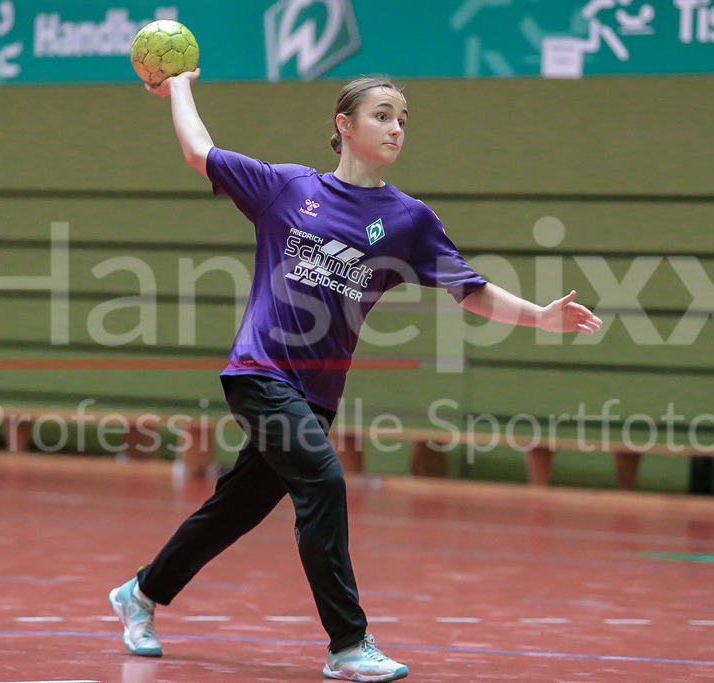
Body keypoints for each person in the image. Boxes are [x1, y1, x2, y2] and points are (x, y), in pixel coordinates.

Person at [109, 68, 602, 682]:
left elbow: (469, 291)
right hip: (259, 373)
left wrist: (542, 319)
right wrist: (178, 87)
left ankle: (143, 593)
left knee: (236, 508)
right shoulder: (286, 188)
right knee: (324, 481)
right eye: (382, 115)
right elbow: (197, 151)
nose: (396, 127)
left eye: (402, 119)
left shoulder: (407, 219)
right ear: (344, 126)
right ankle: (348, 645)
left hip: (318, 393)